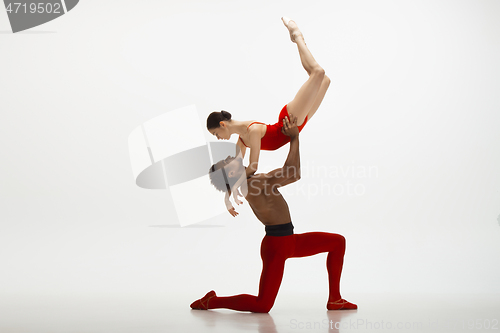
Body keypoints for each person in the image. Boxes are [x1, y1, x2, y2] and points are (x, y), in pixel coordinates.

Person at [191, 114, 357, 313]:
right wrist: (294, 137)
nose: (230, 158)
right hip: (278, 246)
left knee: (338, 242)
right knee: (263, 305)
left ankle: (335, 299)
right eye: (226, 162)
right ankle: (211, 302)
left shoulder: (248, 183)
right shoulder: (255, 183)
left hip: (288, 241)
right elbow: (293, 173)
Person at [207, 17, 331, 216]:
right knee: (325, 81)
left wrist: (234, 187)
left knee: (317, 73)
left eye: (216, 133)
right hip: (298, 126)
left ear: (222, 124)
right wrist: (227, 194)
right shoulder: (242, 141)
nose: (218, 138)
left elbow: (253, 167)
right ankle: (299, 40)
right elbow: (239, 169)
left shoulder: (252, 131)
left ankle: (296, 36)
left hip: (289, 120)